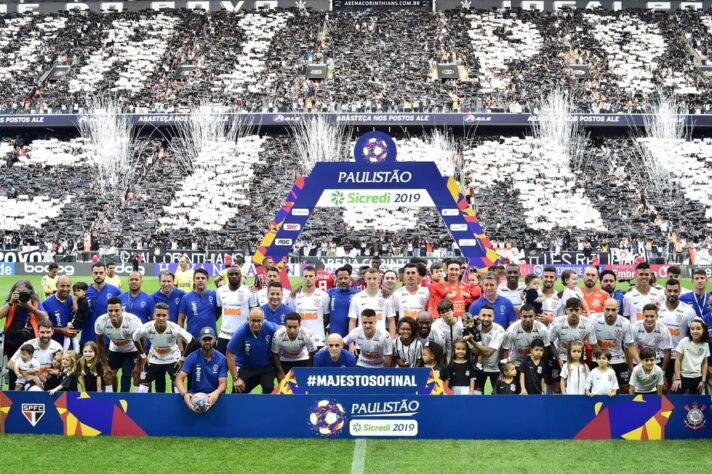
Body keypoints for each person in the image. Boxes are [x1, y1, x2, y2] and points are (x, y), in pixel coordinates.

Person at [132, 303, 193, 393]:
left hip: (173, 358)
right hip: (154, 358)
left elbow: (191, 340)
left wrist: (183, 359)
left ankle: (177, 406)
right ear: (153, 316)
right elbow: (134, 337)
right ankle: (141, 405)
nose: (161, 318)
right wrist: (143, 356)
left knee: (178, 384)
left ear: (168, 316)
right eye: (158, 315)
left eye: (164, 315)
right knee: (143, 385)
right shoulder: (147, 327)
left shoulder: (174, 328)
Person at [1, 280, 50, 387]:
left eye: (24, 291)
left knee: (31, 366)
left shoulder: (34, 302)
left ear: (29, 292)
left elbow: (45, 317)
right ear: (13, 292)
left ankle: (31, 390)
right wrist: (10, 302)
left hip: (30, 341)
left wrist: (30, 307)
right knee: (13, 369)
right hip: (12, 341)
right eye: (18, 291)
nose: (21, 294)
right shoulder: (10, 302)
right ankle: (13, 392)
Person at [95, 297, 145, 392]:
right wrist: (105, 365)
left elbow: (142, 340)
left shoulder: (133, 321)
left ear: (122, 310)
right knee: (108, 375)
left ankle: (133, 397)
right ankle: (111, 396)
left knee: (133, 373)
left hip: (132, 349)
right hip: (115, 349)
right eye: (110, 310)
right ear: (107, 310)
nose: (113, 313)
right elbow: (100, 342)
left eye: (116, 310)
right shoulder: (100, 321)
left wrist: (139, 363)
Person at [226, 307, 278, 394]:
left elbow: (284, 330)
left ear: (264, 320)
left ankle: (265, 407)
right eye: (253, 320)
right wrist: (235, 378)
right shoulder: (241, 332)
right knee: (237, 391)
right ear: (248, 320)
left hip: (266, 367)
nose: (256, 324)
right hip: (246, 367)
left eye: (259, 321)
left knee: (269, 388)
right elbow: (229, 353)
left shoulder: (271, 328)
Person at [175, 327, 227, 412]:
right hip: (194, 397)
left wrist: (216, 393)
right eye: (204, 339)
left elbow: (223, 383)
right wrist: (185, 394)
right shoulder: (192, 357)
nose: (207, 342)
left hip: (213, 398)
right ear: (199, 340)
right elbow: (179, 378)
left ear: (214, 340)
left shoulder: (221, 359)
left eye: (209, 339)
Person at [593, 298, 638, 393]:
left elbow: (630, 345)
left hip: (618, 359)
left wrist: (639, 363)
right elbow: (592, 343)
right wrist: (601, 358)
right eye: (607, 309)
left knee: (624, 388)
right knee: (598, 387)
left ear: (618, 309)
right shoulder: (594, 320)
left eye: (613, 310)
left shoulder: (625, 322)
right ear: (603, 308)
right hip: (599, 358)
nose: (610, 313)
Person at [658, 279, 698, 386]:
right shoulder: (657, 308)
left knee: (678, 388)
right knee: (661, 388)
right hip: (659, 356)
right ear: (665, 291)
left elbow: (693, 335)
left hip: (679, 357)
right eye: (669, 290)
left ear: (679, 291)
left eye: (675, 291)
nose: (672, 293)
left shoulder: (688, 310)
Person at [7, 319, 62, 390]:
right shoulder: (29, 345)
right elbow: (10, 364)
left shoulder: (57, 347)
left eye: (48, 332)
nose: (45, 335)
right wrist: (29, 376)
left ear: (52, 332)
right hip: (30, 382)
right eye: (42, 332)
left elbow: (62, 367)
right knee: (36, 390)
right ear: (37, 331)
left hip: (50, 382)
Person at [216, 265, 258, 354]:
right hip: (224, 335)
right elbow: (219, 310)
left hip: (243, 335)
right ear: (227, 276)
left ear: (241, 275)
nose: (234, 276)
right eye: (231, 274)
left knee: (243, 365)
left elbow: (254, 312)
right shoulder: (220, 291)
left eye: (236, 274)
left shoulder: (249, 291)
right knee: (222, 365)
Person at [631, 303, 673, 388]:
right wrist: (633, 368)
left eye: (652, 316)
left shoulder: (663, 329)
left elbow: (667, 351)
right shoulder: (635, 327)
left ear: (657, 316)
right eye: (646, 316)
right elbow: (629, 347)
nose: (649, 319)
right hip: (637, 360)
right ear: (642, 316)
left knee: (660, 387)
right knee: (636, 387)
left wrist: (663, 373)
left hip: (655, 361)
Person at [80, 262, 121, 347]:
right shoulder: (84, 292)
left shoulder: (115, 291)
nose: (98, 275)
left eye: (101, 273)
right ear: (91, 274)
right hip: (87, 338)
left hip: (109, 340)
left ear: (105, 273)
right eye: (95, 273)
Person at [289, 265, 330, 349]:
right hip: (299, 338)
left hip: (318, 339)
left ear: (316, 277)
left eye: (311, 276)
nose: (308, 278)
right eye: (306, 276)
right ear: (302, 277)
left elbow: (326, 317)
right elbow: (292, 317)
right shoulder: (294, 296)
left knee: (316, 361)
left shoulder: (324, 296)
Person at [177, 268, 219, 351]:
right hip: (192, 341)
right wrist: (180, 342)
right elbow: (180, 320)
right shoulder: (186, 297)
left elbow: (219, 312)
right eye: (197, 278)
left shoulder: (214, 295)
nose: (200, 280)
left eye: (203, 278)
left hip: (210, 339)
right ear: (193, 280)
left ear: (207, 280)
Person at [549, 298, 598, 366]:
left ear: (581, 310)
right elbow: (550, 342)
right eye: (571, 310)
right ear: (566, 310)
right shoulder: (557, 323)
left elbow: (594, 345)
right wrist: (558, 358)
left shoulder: (588, 324)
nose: (574, 313)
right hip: (562, 358)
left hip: (580, 358)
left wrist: (601, 361)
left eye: (576, 310)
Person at [348, 267, 396, 337]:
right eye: (369, 278)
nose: (372, 281)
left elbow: (391, 321)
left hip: (382, 341)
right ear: (365, 279)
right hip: (361, 342)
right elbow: (352, 321)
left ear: (379, 280)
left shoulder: (387, 297)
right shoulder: (356, 297)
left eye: (374, 278)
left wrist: (391, 340)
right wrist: (351, 343)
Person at [501, 304, 551, 369]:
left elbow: (546, 348)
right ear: (520, 316)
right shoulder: (511, 330)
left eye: (530, 316)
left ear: (535, 316)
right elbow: (505, 349)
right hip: (516, 363)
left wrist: (541, 364)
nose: (528, 319)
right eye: (525, 316)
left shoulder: (542, 329)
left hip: (535, 363)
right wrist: (505, 368)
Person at [471, 303, 506, 394]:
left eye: (489, 316)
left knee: (496, 396)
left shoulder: (499, 330)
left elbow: (488, 352)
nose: (486, 318)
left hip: (495, 368)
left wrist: (472, 341)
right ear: (479, 316)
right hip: (477, 368)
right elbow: (473, 350)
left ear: (493, 317)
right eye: (483, 315)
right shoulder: (473, 328)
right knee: (477, 395)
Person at [271, 312, 317, 380]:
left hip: (302, 359)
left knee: (302, 386)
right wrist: (280, 372)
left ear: (300, 325)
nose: (292, 330)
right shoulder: (278, 335)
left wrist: (309, 370)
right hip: (284, 360)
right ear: (285, 326)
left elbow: (312, 353)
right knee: (285, 387)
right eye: (289, 327)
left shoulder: (307, 334)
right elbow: (275, 354)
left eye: (295, 327)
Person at [671, 319, 709, 394]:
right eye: (692, 329)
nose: (695, 331)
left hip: (697, 378)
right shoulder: (684, 341)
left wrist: (703, 381)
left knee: (694, 403)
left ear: (703, 330)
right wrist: (677, 378)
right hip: (682, 377)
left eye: (698, 329)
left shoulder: (705, 345)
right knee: (675, 400)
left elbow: (704, 364)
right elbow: (677, 360)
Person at [41, 275, 75, 347]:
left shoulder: (74, 301)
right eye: (62, 286)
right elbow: (41, 326)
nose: (65, 289)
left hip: (71, 347)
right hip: (52, 346)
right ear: (56, 286)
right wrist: (61, 330)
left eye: (68, 286)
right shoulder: (46, 303)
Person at [327, 267, 359, 337]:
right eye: (340, 278)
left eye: (345, 278)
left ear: (350, 278)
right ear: (336, 279)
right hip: (335, 337)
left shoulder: (357, 294)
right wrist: (299, 290)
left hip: (352, 337)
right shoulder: (330, 293)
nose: (343, 281)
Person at [432, 299, 465, 364]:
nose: (445, 314)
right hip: (446, 357)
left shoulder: (462, 323)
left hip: (462, 354)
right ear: (440, 315)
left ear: (453, 310)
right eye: (442, 312)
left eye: (447, 311)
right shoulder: (436, 325)